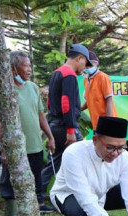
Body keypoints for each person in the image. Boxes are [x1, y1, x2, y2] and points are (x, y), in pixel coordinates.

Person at [0, 51, 56, 216]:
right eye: (26, 66)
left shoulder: (33, 88)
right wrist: (4, 149)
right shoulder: (4, 90)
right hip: (15, 150)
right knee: (10, 188)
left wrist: (50, 137)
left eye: (30, 65)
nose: (29, 69)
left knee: (35, 185)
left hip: (35, 146)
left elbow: (40, 114)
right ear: (13, 68)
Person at [40, 44, 91, 199]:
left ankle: (42, 196)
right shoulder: (69, 75)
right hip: (64, 127)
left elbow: (50, 101)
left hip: (55, 123)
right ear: (79, 58)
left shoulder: (57, 72)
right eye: (85, 63)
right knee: (82, 157)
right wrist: (70, 131)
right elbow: (66, 103)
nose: (85, 67)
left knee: (55, 163)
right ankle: (41, 196)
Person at [81, 50, 117, 130]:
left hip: (106, 122)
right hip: (96, 123)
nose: (88, 68)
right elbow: (90, 100)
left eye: (90, 65)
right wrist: (79, 109)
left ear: (96, 63)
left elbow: (109, 99)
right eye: (86, 65)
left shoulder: (103, 77)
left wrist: (109, 121)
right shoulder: (86, 79)